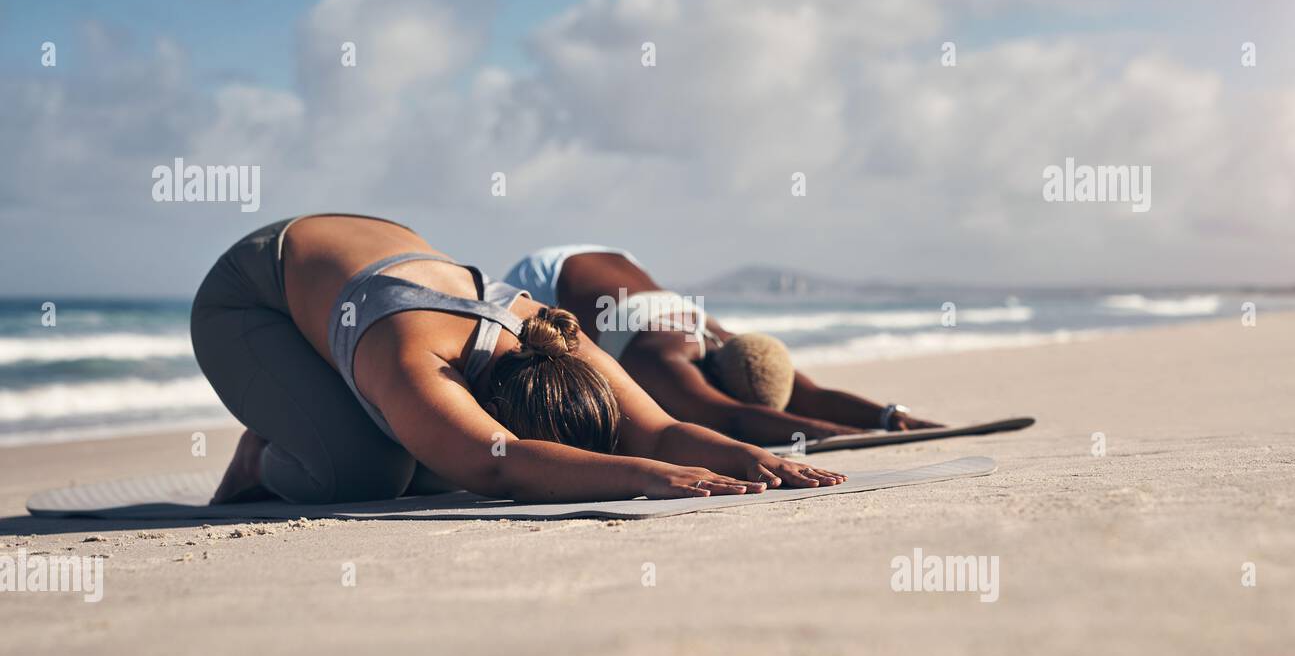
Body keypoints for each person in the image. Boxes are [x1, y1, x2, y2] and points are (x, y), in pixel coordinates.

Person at [190, 215, 844, 505]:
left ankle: (323, 408)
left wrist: (745, 456)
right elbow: (503, 466)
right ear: (492, 404)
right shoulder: (418, 357)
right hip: (250, 303)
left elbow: (660, 427)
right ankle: (263, 450)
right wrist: (645, 476)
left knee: (431, 461)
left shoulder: (550, 332)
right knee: (366, 474)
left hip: (343, 278)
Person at [503, 245, 943, 447]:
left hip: (613, 258)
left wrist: (889, 416)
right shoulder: (662, 358)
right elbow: (732, 417)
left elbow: (807, 393)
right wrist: (850, 435)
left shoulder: (736, 345)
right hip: (542, 278)